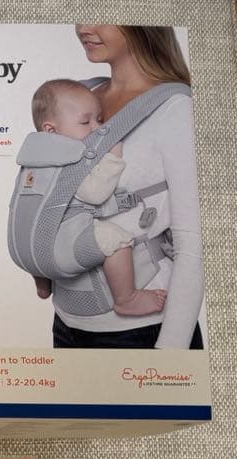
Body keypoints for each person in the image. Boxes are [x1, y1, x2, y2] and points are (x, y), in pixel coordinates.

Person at [53, 25, 203, 349]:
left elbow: (195, 245)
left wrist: (171, 354)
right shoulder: (77, 96)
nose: (84, 27)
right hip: (67, 321)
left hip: (143, 330)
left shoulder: (176, 109)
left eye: (101, 13)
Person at [29, 78, 167, 317]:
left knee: (33, 239)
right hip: (64, 235)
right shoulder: (67, 159)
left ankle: (43, 283)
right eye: (86, 122)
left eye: (100, 120)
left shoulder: (33, 156)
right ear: (51, 130)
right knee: (117, 239)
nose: (97, 128)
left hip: (33, 240)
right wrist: (113, 157)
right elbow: (95, 194)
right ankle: (126, 298)